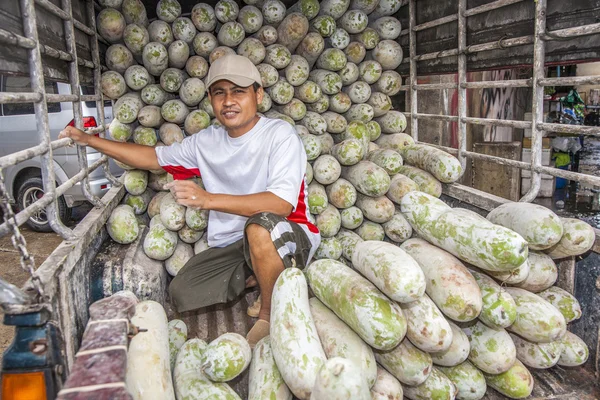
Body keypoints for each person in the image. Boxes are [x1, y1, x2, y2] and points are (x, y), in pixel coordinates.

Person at [59, 55, 320, 346]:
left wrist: (208, 200)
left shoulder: (279, 135)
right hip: (239, 244)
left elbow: (280, 205)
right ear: (210, 99)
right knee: (183, 291)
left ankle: (269, 316)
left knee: (259, 226)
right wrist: (91, 140)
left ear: (257, 94)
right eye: (220, 93)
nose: (229, 101)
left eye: (239, 91)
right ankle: (264, 275)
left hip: (286, 231)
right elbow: (152, 158)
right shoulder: (207, 141)